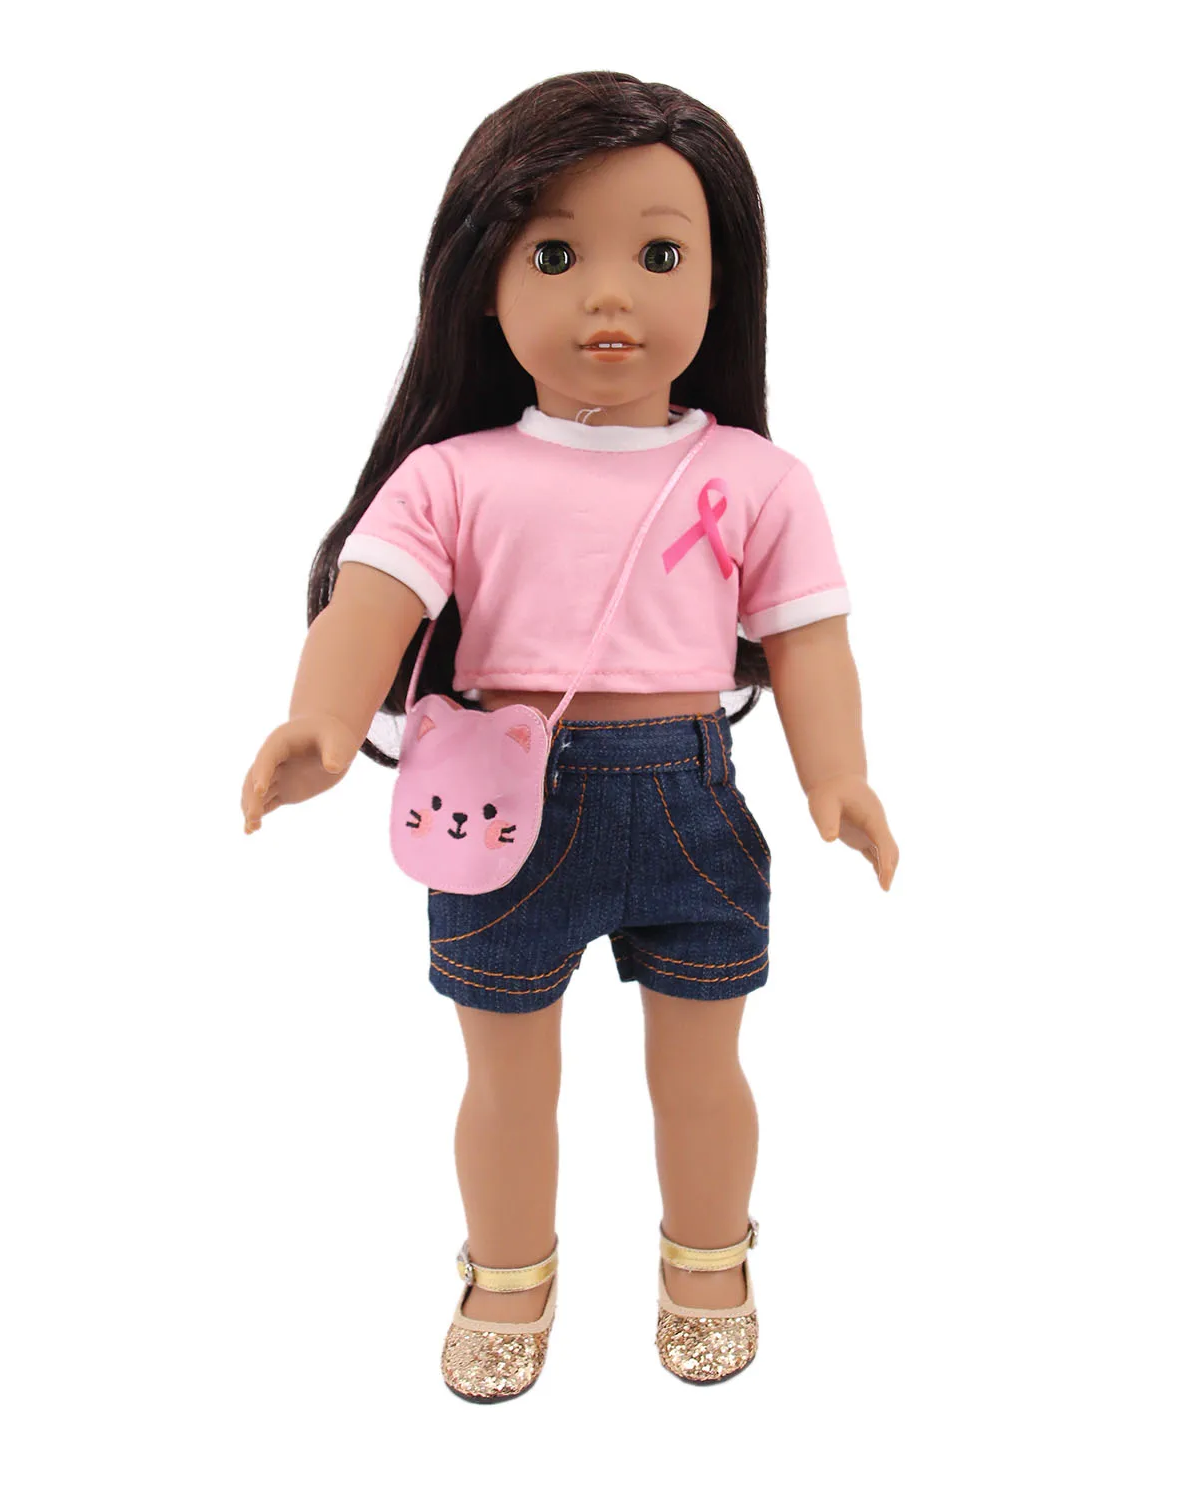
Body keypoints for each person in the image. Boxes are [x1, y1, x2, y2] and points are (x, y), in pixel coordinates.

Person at [240, 71, 899, 1401]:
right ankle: (507, 1271)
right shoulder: (455, 475)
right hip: (503, 810)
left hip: (690, 801)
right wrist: (322, 719)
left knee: (702, 1072)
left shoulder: (756, 478)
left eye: (660, 255)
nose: (611, 295)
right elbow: (372, 601)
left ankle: (708, 1255)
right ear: (485, 283)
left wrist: (840, 777)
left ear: (720, 282)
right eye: (556, 255)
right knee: (505, 1079)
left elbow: (810, 641)